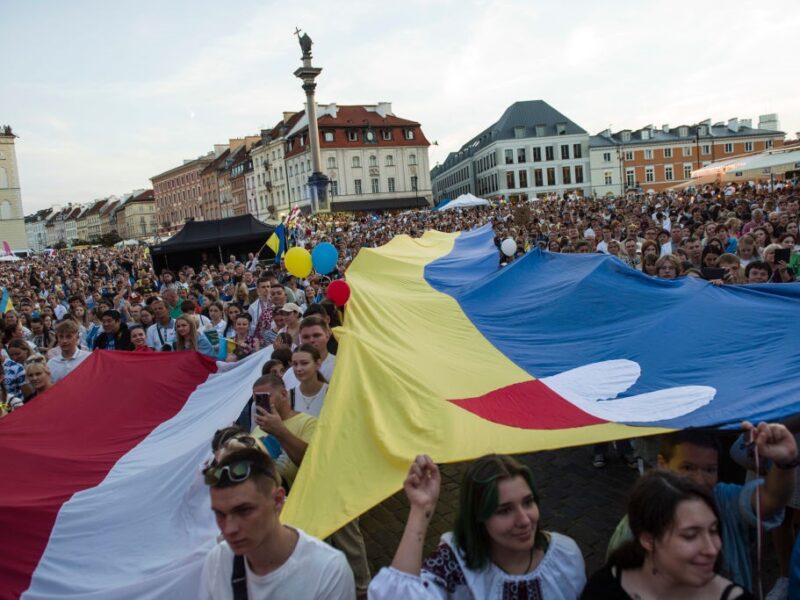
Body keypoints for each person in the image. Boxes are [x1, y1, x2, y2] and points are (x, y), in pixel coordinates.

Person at [606, 424, 797, 591]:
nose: (699, 480)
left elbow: (771, 500)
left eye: (709, 470)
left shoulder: (725, 500)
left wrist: (784, 462)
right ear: (662, 464)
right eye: (687, 468)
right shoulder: (635, 528)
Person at [369, 453, 586, 599]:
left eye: (528, 502)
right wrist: (420, 509)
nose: (524, 520)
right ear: (478, 517)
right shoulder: (454, 565)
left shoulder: (565, 557)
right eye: (504, 510)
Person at [200, 447, 355, 599]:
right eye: (220, 514)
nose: (229, 529)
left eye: (244, 511)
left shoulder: (327, 569)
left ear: (278, 500)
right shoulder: (218, 560)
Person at [582, 470, 754, 599]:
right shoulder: (604, 590)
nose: (712, 549)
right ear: (648, 540)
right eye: (690, 535)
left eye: (713, 530)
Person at [289, 344, 328, 417]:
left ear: (318, 364)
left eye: (304, 363)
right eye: (295, 364)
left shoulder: (330, 393)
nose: (298, 369)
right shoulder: (289, 396)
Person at [47, 319, 91, 383]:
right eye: (61, 337)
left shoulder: (88, 358)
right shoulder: (51, 363)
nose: (64, 341)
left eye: (68, 337)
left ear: (77, 337)